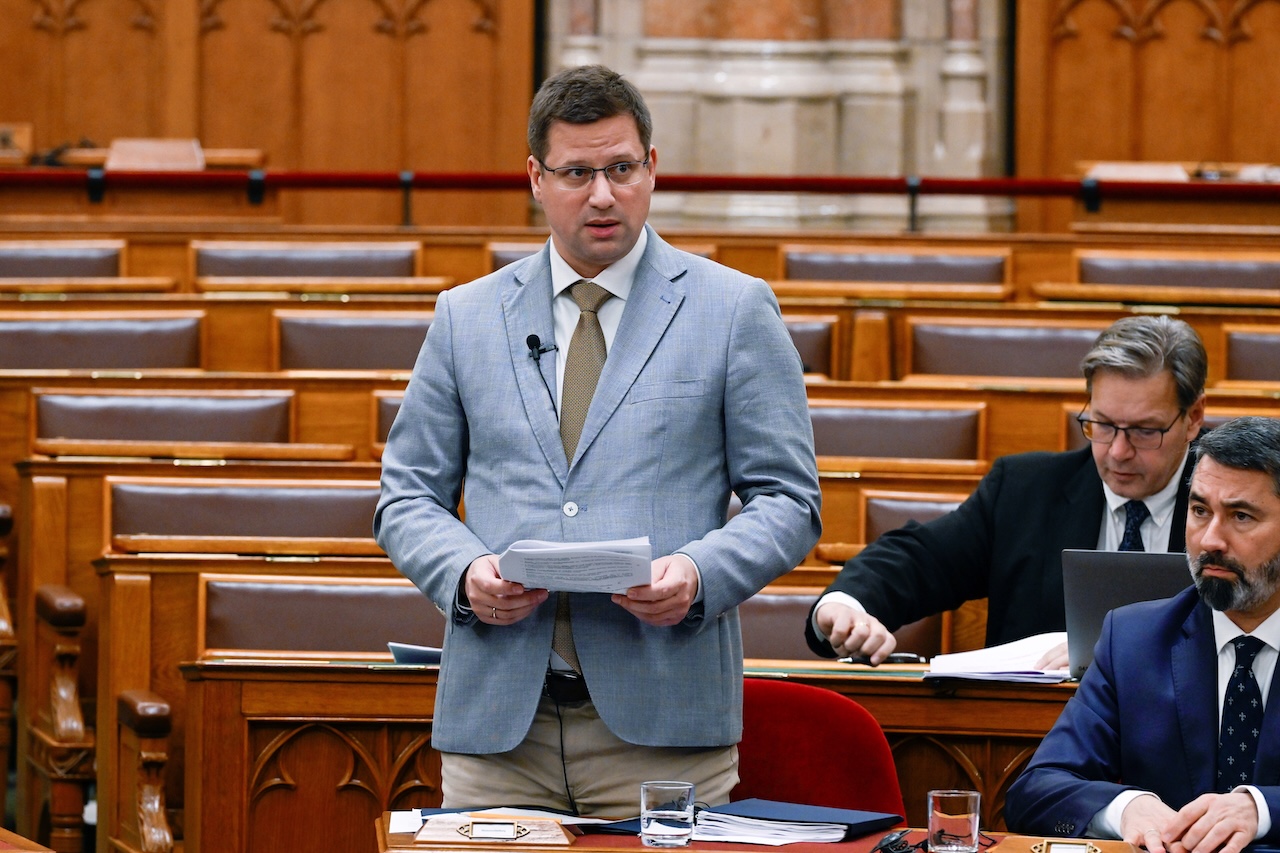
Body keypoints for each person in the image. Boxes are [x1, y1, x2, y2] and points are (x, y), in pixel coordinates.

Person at [374, 64, 821, 817]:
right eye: (578, 172)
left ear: (652, 167)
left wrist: (698, 573)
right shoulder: (466, 316)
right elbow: (405, 496)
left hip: (664, 726)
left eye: (620, 168)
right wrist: (464, 573)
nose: (604, 194)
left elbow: (790, 500)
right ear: (536, 179)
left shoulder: (733, 309)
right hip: (498, 731)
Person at [805, 314, 1207, 666]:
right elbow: (921, 558)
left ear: (1193, 418)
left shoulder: (1238, 500)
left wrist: (1120, 653)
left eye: (1143, 431)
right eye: (1102, 424)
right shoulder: (1024, 491)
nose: (1118, 452)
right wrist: (846, 606)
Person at [1006, 416, 1280, 853]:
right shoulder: (1133, 639)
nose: (1210, 539)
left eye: (1241, 516)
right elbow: (1035, 790)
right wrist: (1126, 807)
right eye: (1199, 510)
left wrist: (1263, 809)